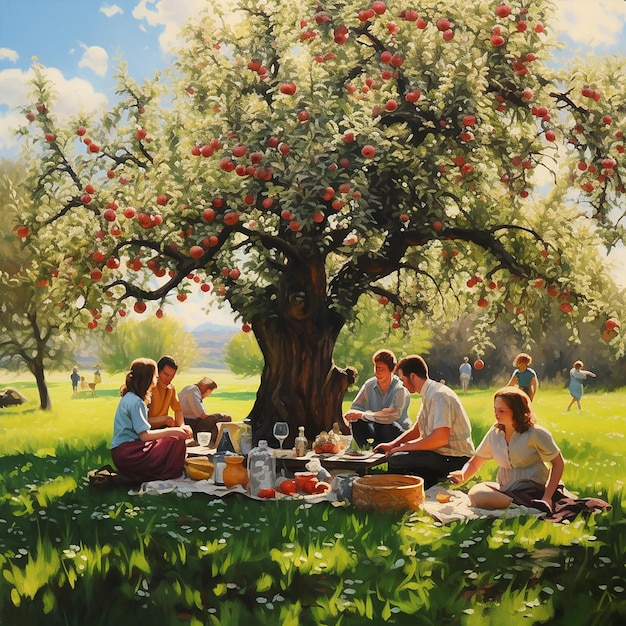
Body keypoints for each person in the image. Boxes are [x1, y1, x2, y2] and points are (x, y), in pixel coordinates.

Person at [448, 386, 565, 514]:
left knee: (478, 496)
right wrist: (463, 474)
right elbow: (475, 462)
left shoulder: (535, 433)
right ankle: (520, 506)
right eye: (495, 409)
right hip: (506, 489)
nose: (496, 414)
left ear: (517, 411)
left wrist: (547, 497)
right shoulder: (495, 433)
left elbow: (558, 463)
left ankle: (532, 505)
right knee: (476, 492)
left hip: (532, 489)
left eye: (501, 410)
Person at [374, 355, 474, 489]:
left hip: (455, 459)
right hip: (441, 454)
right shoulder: (429, 393)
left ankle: (400, 490)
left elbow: (440, 439)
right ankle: (407, 486)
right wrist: (392, 445)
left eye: (403, 379)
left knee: (397, 459)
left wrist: (403, 447)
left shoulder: (439, 395)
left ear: (413, 377)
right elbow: (417, 430)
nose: (402, 383)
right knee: (397, 455)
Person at [110, 358, 193, 483]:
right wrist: (173, 431)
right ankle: (166, 473)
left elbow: (177, 409)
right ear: (148, 378)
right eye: (155, 376)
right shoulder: (137, 402)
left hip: (124, 452)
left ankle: (149, 472)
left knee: (169, 441)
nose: (156, 380)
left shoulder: (130, 397)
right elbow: (144, 436)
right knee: (175, 441)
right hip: (128, 453)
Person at [342, 349, 410, 447]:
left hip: (395, 430)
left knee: (385, 425)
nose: (377, 372)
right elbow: (356, 407)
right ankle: (365, 448)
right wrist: (353, 414)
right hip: (376, 426)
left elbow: (392, 416)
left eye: (381, 369)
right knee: (357, 421)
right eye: (376, 368)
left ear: (391, 370)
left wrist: (364, 415)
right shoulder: (369, 385)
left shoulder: (400, 389)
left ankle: (379, 446)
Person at [178, 377, 232, 445]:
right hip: (191, 424)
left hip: (191, 422)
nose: (208, 395)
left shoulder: (191, 390)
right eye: (210, 390)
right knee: (225, 417)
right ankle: (215, 442)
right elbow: (202, 415)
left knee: (215, 419)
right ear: (205, 387)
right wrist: (220, 415)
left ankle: (214, 441)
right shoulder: (193, 390)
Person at [147, 355, 184, 429]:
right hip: (146, 430)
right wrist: (163, 419)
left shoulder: (171, 389)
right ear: (157, 372)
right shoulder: (148, 388)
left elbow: (178, 409)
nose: (169, 379)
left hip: (163, 428)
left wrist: (181, 427)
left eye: (172, 376)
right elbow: (141, 422)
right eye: (166, 375)